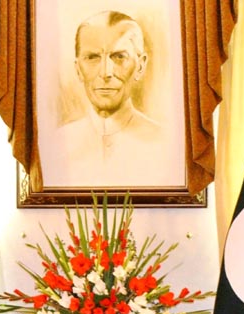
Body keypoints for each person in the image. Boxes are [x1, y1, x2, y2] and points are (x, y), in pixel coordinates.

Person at [39, 10, 182, 188]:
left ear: (140, 66)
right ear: (78, 69)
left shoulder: (166, 144)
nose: (106, 72)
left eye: (119, 57)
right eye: (92, 58)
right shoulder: (55, 144)